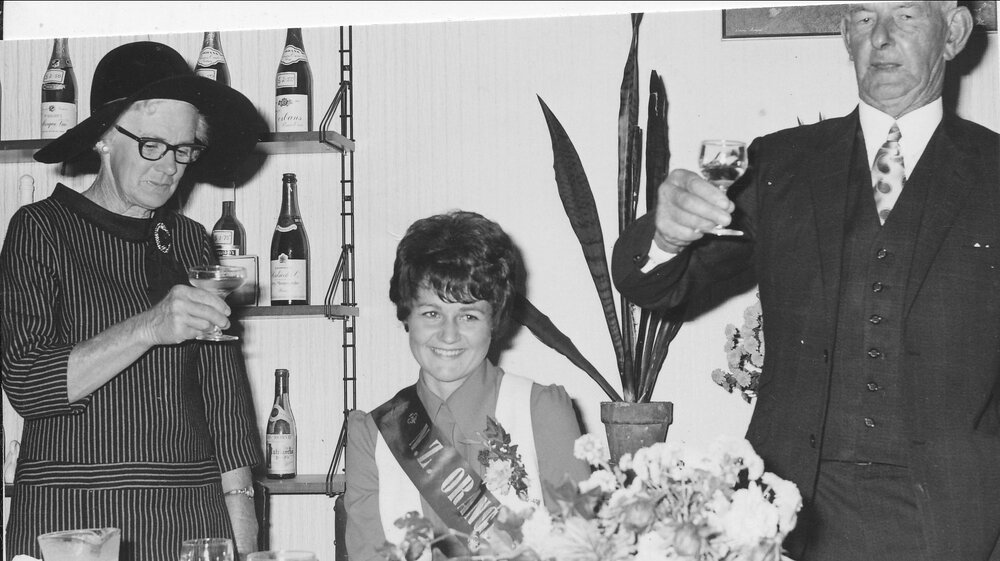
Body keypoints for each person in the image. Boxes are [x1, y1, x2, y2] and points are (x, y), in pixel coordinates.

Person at [612, 3, 998, 560]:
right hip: (789, 512)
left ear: (954, 34)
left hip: (954, 520)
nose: (883, 37)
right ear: (846, 36)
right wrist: (668, 236)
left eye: (907, 16)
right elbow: (666, 288)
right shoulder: (779, 163)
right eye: (865, 19)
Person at [1, 42, 268, 561]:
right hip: (73, 525)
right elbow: (30, 385)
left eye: (185, 149)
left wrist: (245, 540)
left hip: (191, 520)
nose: (170, 166)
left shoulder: (190, 240)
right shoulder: (40, 230)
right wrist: (148, 326)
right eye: (152, 144)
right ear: (104, 137)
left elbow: (225, 405)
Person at [345, 211, 591, 561]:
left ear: (495, 321)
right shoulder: (373, 434)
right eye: (431, 313)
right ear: (406, 317)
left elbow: (581, 549)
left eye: (469, 315)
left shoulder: (542, 410)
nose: (448, 334)